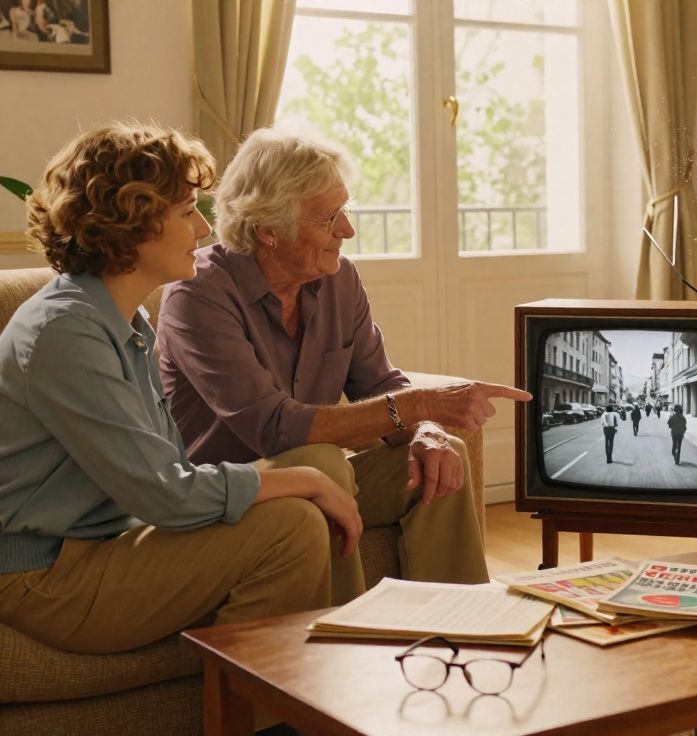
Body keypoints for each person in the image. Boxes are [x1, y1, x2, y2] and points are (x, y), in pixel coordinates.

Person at [0, 123, 356, 655]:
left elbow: (170, 475)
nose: (205, 229)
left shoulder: (126, 321)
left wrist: (307, 477)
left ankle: (338, 661)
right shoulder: (64, 332)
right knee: (292, 525)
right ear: (134, 222)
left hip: (102, 543)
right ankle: (270, 711)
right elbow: (167, 492)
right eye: (188, 210)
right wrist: (300, 480)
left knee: (311, 488)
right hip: (44, 576)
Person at [156, 127, 531, 605]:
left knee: (441, 457)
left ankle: (464, 626)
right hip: (231, 491)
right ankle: (343, 651)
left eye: (345, 210)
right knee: (321, 459)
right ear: (269, 229)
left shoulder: (339, 280)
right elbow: (273, 429)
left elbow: (377, 381)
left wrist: (424, 429)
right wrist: (418, 403)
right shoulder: (199, 293)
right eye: (328, 217)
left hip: (313, 473)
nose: (347, 231)